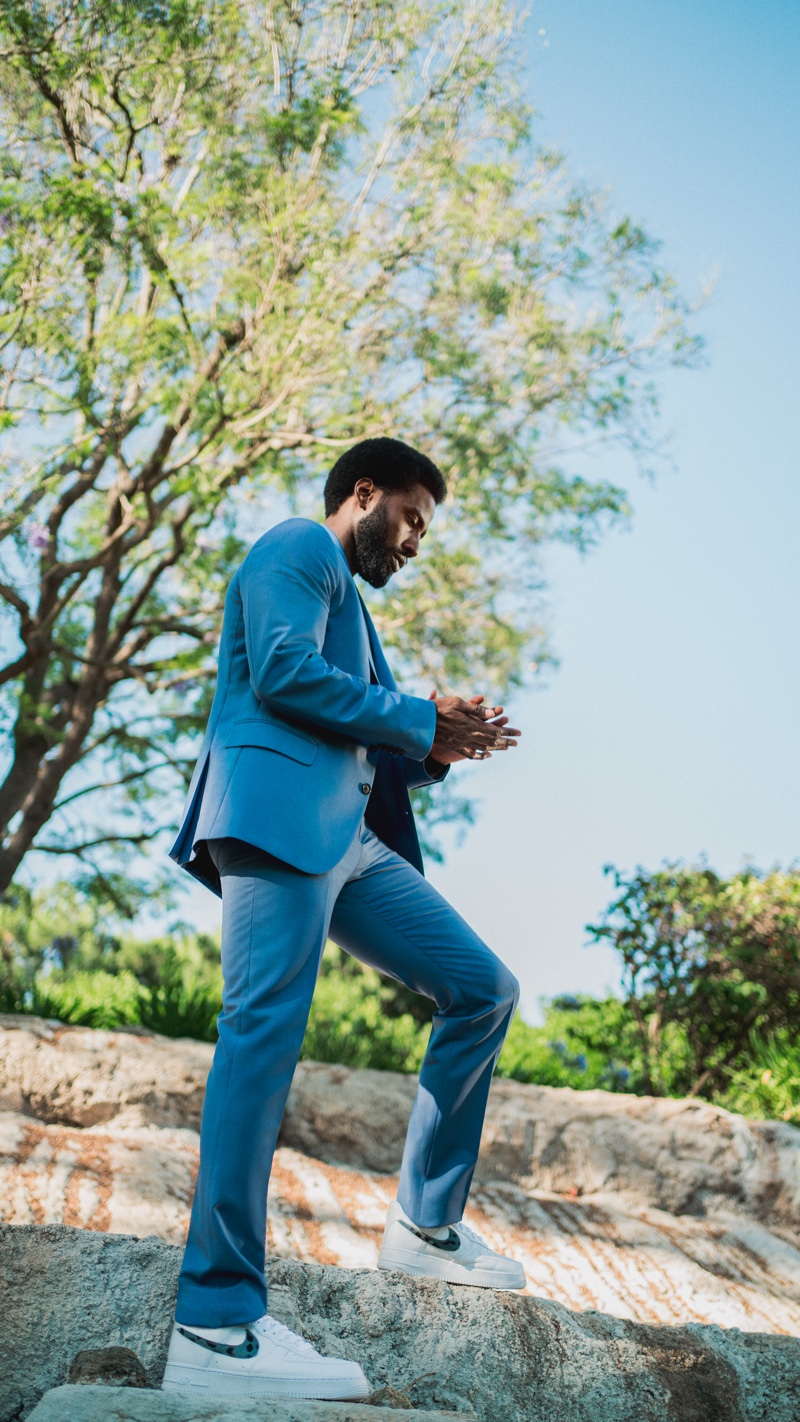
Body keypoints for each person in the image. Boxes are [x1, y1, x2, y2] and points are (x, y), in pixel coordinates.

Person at [162, 436, 524, 1401]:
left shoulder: (353, 606)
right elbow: (282, 675)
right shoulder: (298, 548)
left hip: (348, 844)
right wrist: (416, 716)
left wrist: (441, 744)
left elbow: (365, 730)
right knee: (262, 1038)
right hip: (277, 824)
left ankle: (424, 1226)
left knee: (483, 987)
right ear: (363, 493)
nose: (413, 543)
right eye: (409, 518)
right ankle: (216, 1318)